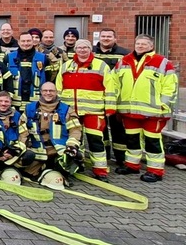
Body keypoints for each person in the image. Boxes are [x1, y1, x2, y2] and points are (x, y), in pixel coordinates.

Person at [114, 34, 179, 182]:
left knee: (152, 141)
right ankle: (132, 165)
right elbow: (115, 83)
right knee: (132, 140)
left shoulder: (162, 62)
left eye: (144, 44)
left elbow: (170, 87)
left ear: (151, 46)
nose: (140, 46)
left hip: (154, 112)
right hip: (129, 111)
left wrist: (163, 105)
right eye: (138, 43)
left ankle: (155, 171)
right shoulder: (124, 61)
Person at [56, 39, 115, 181]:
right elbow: (59, 87)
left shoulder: (101, 66)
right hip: (72, 112)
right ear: (75, 50)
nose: (82, 50)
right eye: (79, 48)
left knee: (95, 140)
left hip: (93, 112)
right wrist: (59, 108)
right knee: (76, 140)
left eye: (85, 48)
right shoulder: (66, 66)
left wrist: (110, 107)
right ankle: (78, 164)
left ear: (90, 49)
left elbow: (111, 88)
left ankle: (100, 170)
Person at [24, 82, 83, 186]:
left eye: (51, 91)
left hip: (58, 151)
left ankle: (60, 167)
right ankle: (43, 166)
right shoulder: (30, 109)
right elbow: (22, 131)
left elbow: (75, 130)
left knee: (65, 165)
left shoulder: (66, 110)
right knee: (26, 170)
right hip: (38, 150)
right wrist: (24, 147)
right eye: (45, 91)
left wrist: (71, 147)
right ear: (41, 92)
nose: (48, 93)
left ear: (56, 92)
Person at [92, 28, 131, 166]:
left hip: (116, 98)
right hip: (96, 97)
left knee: (118, 129)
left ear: (115, 38)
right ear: (99, 38)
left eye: (109, 36)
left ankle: (121, 158)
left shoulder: (125, 54)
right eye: (103, 36)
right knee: (100, 129)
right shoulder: (91, 52)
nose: (106, 39)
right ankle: (105, 155)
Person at [4, 32, 47, 112]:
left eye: (28, 41)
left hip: (36, 103)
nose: (26, 43)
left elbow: (48, 79)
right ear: (18, 42)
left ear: (32, 42)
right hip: (14, 103)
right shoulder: (9, 57)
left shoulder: (43, 58)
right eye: (23, 41)